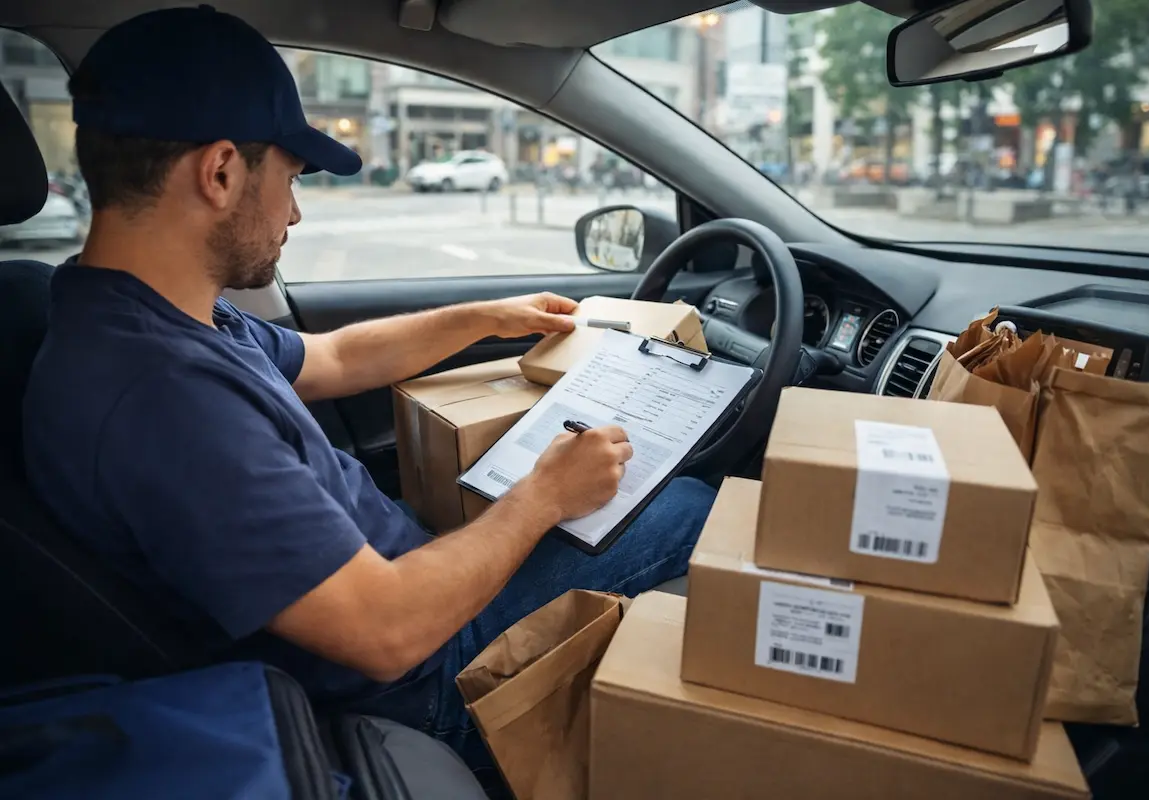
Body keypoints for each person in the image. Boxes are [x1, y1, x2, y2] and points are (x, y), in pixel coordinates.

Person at [21, 5, 716, 788]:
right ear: (219, 173)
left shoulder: (140, 312)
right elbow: (385, 634)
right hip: (425, 678)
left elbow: (333, 356)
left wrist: (487, 318)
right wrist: (545, 495)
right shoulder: (164, 399)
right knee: (694, 506)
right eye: (289, 180)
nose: (294, 211)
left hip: (396, 595)